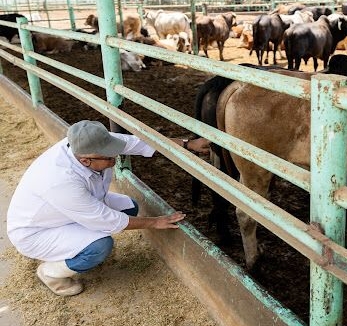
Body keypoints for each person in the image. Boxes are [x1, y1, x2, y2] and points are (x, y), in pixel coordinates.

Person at [6, 119, 210, 297]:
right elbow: (106, 221)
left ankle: (71, 248)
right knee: (100, 246)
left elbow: (137, 143)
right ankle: (51, 272)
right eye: (109, 158)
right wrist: (156, 222)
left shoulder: (88, 142)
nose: (115, 159)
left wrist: (188, 143)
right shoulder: (60, 181)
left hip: (66, 212)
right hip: (37, 232)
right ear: (86, 160)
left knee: (130, 207)